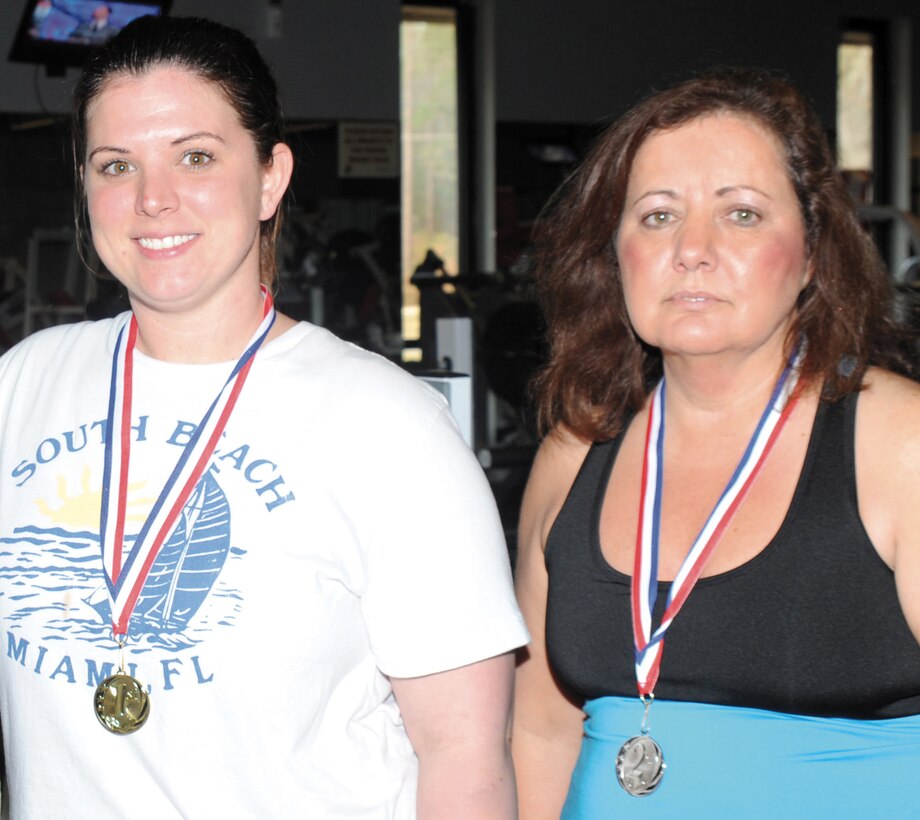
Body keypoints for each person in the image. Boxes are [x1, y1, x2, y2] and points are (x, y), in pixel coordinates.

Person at [0, 15, 528, 819]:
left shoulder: (386, 424)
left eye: (197, 156)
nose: (153, 199)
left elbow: (465, 757)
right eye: (117, 165)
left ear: (272, 177)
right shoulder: (25, 383)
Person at [512, 67, 920, 818]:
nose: (692, 250)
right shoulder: (574, 453)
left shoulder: (898, 445)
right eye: (659, 216)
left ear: (811, 254)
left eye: (741, 214)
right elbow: (540, 730)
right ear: (616, 254)